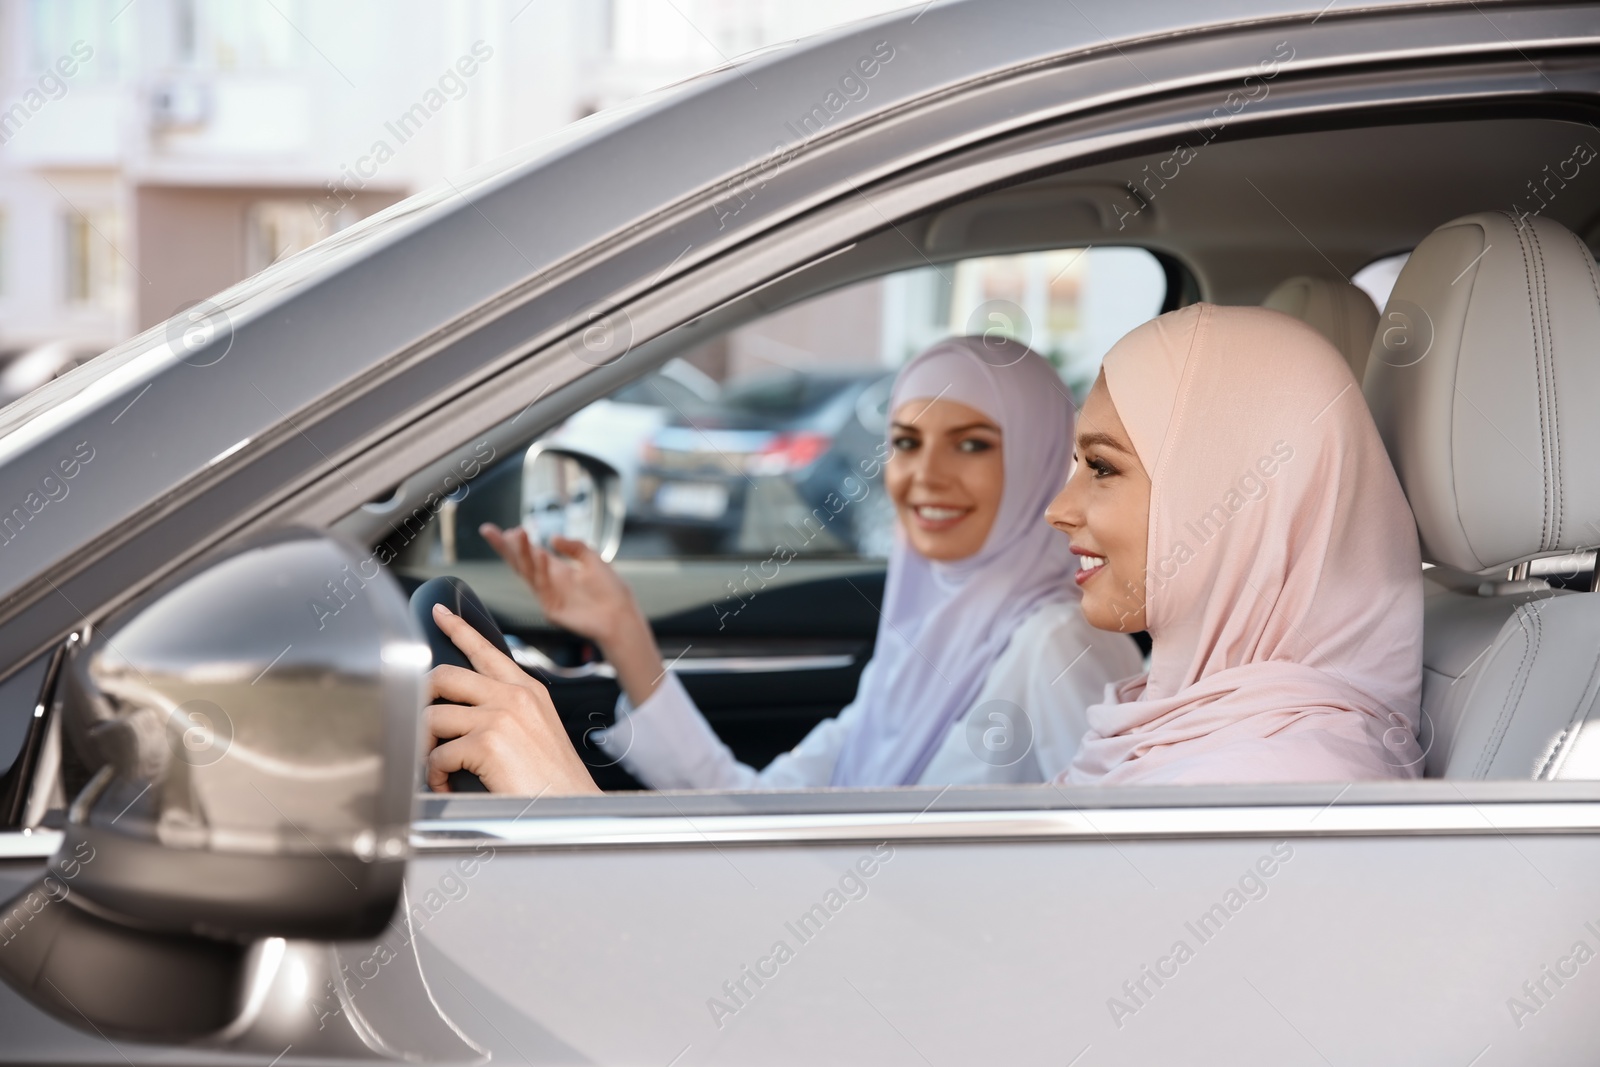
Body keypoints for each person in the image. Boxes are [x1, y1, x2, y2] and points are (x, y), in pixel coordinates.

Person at [424, 337, 1143, 794]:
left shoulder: (1058, 646)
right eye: (905, 442)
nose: (925, 475)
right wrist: (622, 630)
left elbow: (1098, 884)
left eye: (973, 444)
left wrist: (562, 802)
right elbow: (748, 804)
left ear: (1044, 459)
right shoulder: (918, 646)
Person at [1044, 302, 1424, 784]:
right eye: (1078, 463)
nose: (1057, 510)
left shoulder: (1280, 777)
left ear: (1236, 497)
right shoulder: (1166, 721)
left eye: (1102, 467)